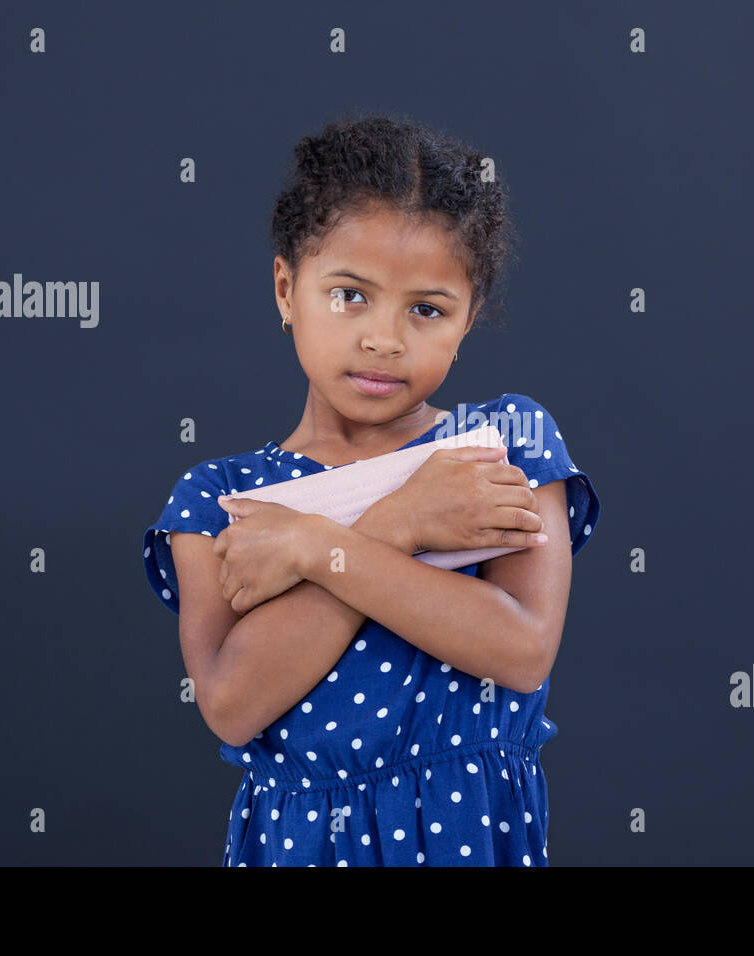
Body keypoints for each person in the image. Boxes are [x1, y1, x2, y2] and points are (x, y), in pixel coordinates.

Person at [141, 113, 601, 866]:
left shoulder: (502, 445)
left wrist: (318, 547)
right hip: (302, 846)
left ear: (468, 320)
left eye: (427, 309)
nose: (385, 338)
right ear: (288, 289)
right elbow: (230, 703)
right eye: (350, 295)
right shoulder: (223, 499)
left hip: (468, 838)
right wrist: (399, 523)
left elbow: (520, 648)